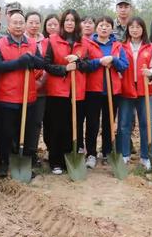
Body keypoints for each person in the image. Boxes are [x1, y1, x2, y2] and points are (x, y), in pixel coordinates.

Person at [0, 12, 44, 178]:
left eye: (21, 22)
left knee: (27, 132)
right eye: (15, 23)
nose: (19, 26)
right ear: (9, 25)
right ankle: (3, 163)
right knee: (6, 133)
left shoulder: (33, 44)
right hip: (7, 96)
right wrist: (19, 63)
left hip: (28, 96)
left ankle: (23, 161)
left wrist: (33, 61)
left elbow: (42, 63)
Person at [44, 10, 90, 174]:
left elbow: (88, 66)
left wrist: (78, 62)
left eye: (73, 20)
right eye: (67, 20)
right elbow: (47, 65)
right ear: (62, 23)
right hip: (58, 91)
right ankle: (55, 160)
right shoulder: (53, 40)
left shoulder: (84, 42)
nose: (70, 23)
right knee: (57, 126)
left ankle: (68, 159)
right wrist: (64, 68)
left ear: (77, 23)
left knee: (74, 126)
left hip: (77, 90)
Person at [85, 16, 129, 168]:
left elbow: (124, 65)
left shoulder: (117, 46)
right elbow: (84, 65)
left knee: (108, 123)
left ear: (112, 28)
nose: (104, 28)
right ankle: (90, 153)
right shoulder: (89, 44)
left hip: (113, 91)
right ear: (96, 28)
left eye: (107, 25)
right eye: (101, 25)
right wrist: (99, 61)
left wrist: (113, 60)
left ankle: (106, 152)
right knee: (92, 123)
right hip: (93, 90)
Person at [117, 17, 152, 170]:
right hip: (126, 89)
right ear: (128, 30)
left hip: (145, 90)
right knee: (124, 124)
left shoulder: (151, 47)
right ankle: (125, 155)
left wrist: (151, 72)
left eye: (138, 27)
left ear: (143, 29)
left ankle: (147, 156)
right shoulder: (121, 47)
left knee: (146, 124)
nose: (134, 29)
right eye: (131, 27)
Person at [24, 11, 47, 166]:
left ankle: (32, 153)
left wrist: (41, 81)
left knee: (36, 122)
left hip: (41, 89)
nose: (34, 25)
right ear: (26, 23)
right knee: (23, 121)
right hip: (22, 88)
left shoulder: (45, 42)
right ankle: (20, 152)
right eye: (31, 22)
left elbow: (48, 63)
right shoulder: (20, 40)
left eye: (37, 22)